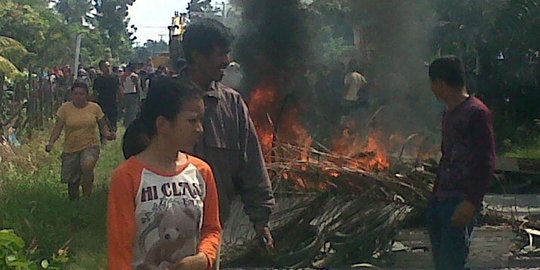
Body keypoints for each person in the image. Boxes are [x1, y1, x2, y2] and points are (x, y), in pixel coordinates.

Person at [123, 19, 275, 254]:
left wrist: (261, 219)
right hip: (162, 234)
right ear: (197, 55)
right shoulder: (165, 96)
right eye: (221, 53)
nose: (227, 60)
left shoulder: (232, 104)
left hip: (212, 233)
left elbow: (252, 164)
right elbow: (136, 149)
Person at [108, 77, 221, 270]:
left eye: (201, 120)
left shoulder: (202, 172)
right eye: (191, 120)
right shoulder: (127, 177)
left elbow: (212, 229)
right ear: (163, 125)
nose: (199, 129)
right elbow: (119, 250)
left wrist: (204, 257)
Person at [427, 56, 496, 270]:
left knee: (452, 263)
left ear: (439, 83)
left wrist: (471, 202)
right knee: (442, 263)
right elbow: (446, 156)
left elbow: (486, 162)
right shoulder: (449, 114)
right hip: (441, 200)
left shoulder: (476, 113)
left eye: (432, 83)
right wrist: (435, 194)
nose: (432, 89)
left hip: (460, 201)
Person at [45, 82, 116, 200]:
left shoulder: (94, 108)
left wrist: (107, 134)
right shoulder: (65, 109)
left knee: (87, 165)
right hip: (71, 147)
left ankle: (87, 196)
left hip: (91, 145)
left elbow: (102, 124)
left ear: (87, 95)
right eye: (76, 94)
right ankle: (75, 203)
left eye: (81, 94)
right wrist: (51, 142)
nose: (78, 96)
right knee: (72, 180)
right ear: (72, 95)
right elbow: (58, 127)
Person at [93, 60, 121, 134]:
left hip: (113, 103)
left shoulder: (115, 78)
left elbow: (119, 90)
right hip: (102, 104)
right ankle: (103, 138)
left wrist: (121, 101)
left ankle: (112, 136)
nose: (107, 68)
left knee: (113, 123)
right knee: (102, 123)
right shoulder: (98, 80)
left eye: (108, 66)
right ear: (101, 68)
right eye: (105, 67)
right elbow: (95, 93)